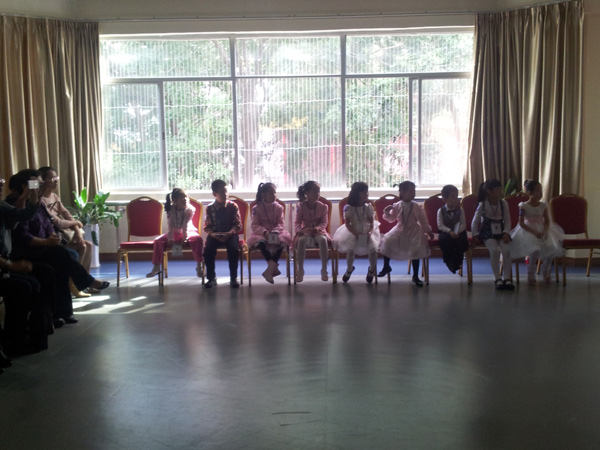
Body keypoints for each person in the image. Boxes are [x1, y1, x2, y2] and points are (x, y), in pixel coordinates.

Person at [7, 169, 110, 325]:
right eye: (36, 184)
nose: (40, 186)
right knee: (60, 256)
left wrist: (53, 237)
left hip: (44, 249)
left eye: (39, 183)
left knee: (60, 262)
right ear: (24, 186)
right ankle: (84, 283)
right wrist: (46, 242)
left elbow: (50, 224)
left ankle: (61, 314)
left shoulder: (38, 203)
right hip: (27, 251)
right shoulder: (16, 205)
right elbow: (23, 237)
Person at [38, 166, 94, 297]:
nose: (56, 181)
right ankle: (75, 283)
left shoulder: (55, 197)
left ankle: (85, 282)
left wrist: (78, 232)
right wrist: (76, 223)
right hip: (54, 236)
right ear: (43, 181)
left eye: (56, 178)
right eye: (52, 178)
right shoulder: (40, 200)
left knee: (88, 245)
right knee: (82, 246)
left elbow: (67, 215)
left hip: (66, 234)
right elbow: (58, 222)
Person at [378, 181, 432, 287]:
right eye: (410, 191)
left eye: (414, 191)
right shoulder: (397, 205)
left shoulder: (416, 206)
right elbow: (391, 219)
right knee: (387, 241)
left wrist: (428, 231)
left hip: (414, 231)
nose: (413, 193)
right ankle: (386, 266)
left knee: (416, 249)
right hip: (400, 229)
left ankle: (415, 276)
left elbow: (423, 220)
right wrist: (387, 212)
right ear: (402, 192)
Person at [510, 179, 564, 284]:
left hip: (542, 229)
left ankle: (546, 268)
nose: (540, 193)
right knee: (534, 249)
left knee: (552, 247)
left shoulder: (543, 205)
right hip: (528, 230)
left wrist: (545, 231)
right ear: (530, 192)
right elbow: (521, 223)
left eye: (541, 191)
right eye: (537, 191)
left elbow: (547, 221)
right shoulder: (523, 206)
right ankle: (531, 272)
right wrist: (535, 233)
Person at [146, 188, 204, 279]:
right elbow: (170, 225)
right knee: (158, 241)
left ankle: (199, 265)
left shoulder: (190, 209)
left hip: (188, 231)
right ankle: (156, 266)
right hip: (174, 232)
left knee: (198, 240)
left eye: (186, 197)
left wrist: (185, 238)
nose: (185, 199)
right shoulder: (170, 209)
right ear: (174, 200)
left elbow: (185, 224)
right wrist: (170, 238)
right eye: (182, 197)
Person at [332, 182, 380, 284]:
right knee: (350, 250)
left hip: (367, 230)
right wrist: (355, 234)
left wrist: (370, 232)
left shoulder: (368, 206)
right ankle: (349, 269)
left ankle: (371, 270)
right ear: (357, 193)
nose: (367, 194)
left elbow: (371, 222)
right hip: (353, 231)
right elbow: (347, 224)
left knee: (373, 249)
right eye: (364, 192)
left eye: (367, 192)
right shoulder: (348, 208)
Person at [471, 178, 514, 290]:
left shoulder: (503, 203)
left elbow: (507, 220)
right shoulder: (482, 204)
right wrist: (475, 234)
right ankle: (497, 278)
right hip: (487, 231)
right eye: (497, 189)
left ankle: (507, 278)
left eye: (500, 189)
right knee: (494, 250)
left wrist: (506, 232)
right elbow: (475, 221)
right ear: (489, 192)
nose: (500, 191)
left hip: (501, 230)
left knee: (506, 250)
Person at [247, 183, 292, 284]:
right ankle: (273, 268)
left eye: (274, 193)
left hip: (277, 232)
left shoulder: (279, 207)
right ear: (263, 194)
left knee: (282, 241)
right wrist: (264, 232)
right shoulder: (256, 208)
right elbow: (255, 225)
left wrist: (275, 231)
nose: (274, 195)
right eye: (271, 193)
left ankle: (269, 270)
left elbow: (281, 223)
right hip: (261, 233)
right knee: (261, 242)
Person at [203, 180, 242, 289]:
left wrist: (230, 233)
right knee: (208, 250)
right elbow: (207, 226)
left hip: (230, 234)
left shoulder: (233, 206)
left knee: (233, 249)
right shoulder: (210, 208)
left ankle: (233, 278)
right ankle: (211, 278)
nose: (225, 194)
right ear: (214, 194)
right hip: (215, 235)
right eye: (222, 192)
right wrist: (213, 234)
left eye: (226, 191)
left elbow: (238, 224)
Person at [293, 181, 331, 283]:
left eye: (318, 192)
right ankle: (300, 270)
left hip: (319, 232)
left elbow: (324, 222)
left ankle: (324, 270)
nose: (317, 194)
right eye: (315, 192)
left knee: (323, 240)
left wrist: (318, 228)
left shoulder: (323, 207)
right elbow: (297, 222)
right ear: (307, 193)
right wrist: (299, 231)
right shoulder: (300, 206)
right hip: (305, 231)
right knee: (301, 241)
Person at [437, 184, 469, 274]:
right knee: (445, 241)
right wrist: (450, 231)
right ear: (445, 199)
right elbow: (440, 225)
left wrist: (458, 231)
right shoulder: (441, 211)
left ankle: (458, 261)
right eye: (452, 197)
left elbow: (463, 223)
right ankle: (449, 262)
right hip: (446, 232)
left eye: (456, 196)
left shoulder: (460, 210)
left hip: (459, 232)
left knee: (461, 241)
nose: (455, 199)